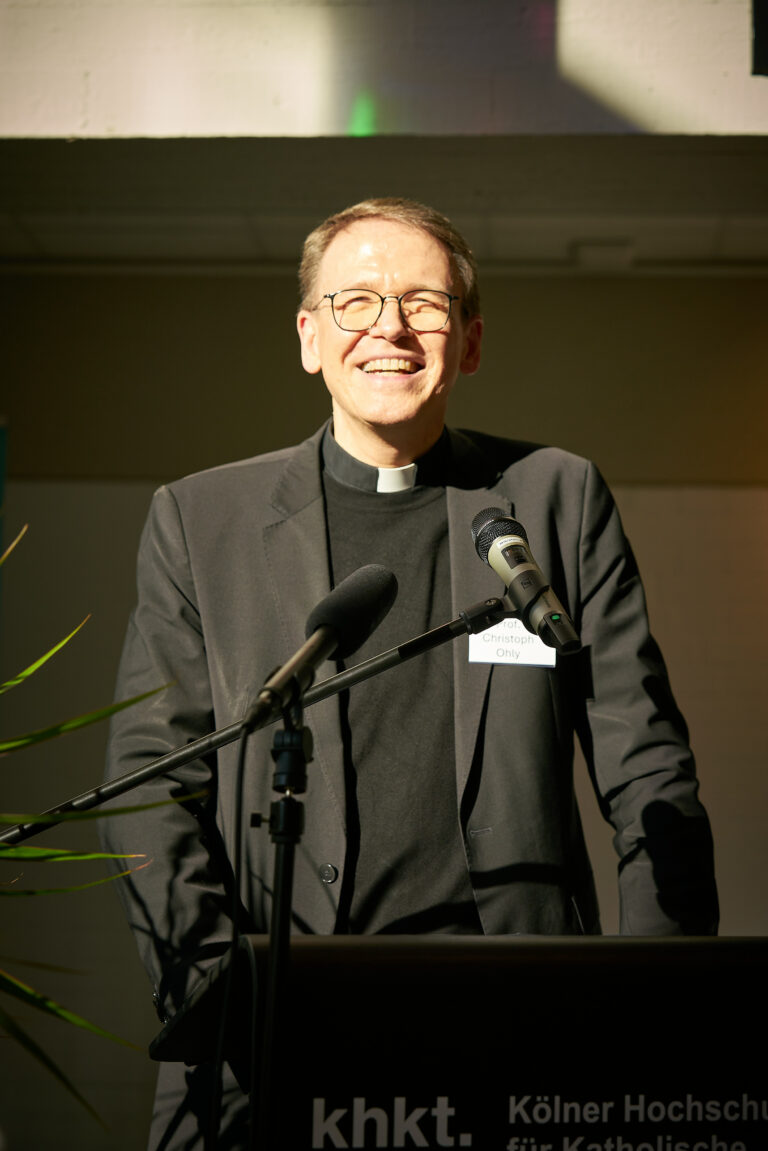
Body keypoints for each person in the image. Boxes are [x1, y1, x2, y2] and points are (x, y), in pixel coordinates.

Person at [103, 197, 718, 1149]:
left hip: (520, 1028)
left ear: (469, 342)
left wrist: (649, 999)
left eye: (425, 304)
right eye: (354, 301)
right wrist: (224, 995)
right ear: (309, 337)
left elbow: (647, 769)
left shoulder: (555, 498)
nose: (389, 327)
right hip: (274, 1034)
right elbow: (152, 783)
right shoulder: (200, 519)